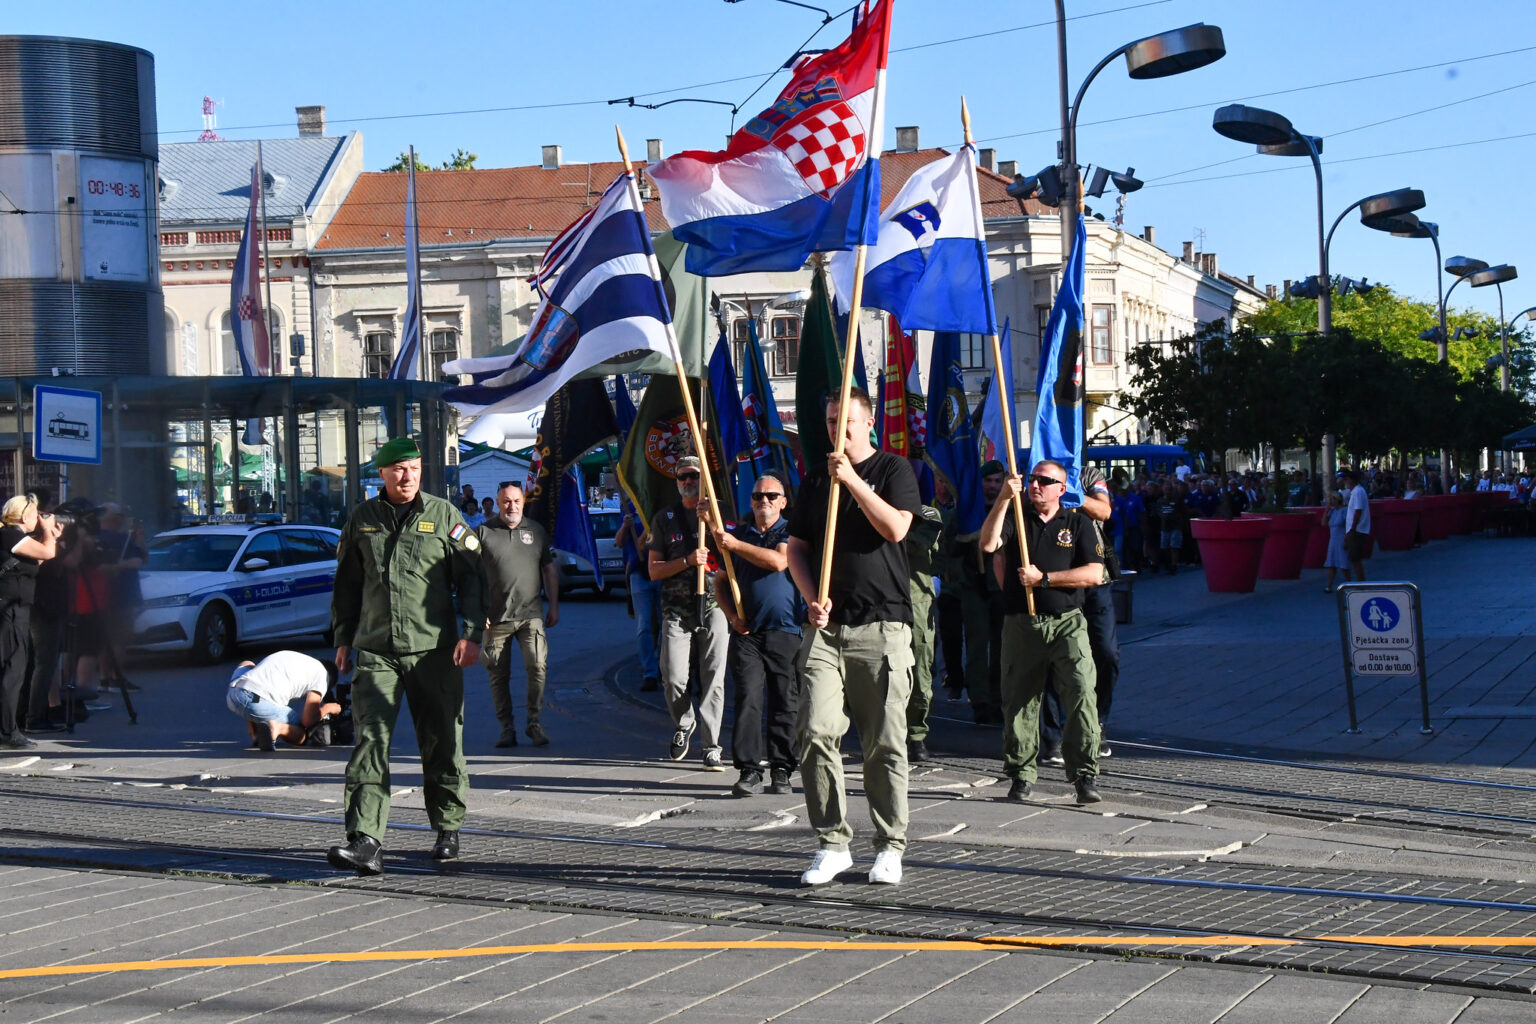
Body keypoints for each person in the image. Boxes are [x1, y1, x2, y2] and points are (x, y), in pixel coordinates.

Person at [327, 437, 485, 876]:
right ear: (381, 474)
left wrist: (471, 633)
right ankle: (365, 841)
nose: (408, 476)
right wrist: (343, 638)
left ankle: (448, 825)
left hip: (434, 651)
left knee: (441, 740)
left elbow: (472, 577)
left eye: (414, 467)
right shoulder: (362, 520)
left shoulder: (444, 515)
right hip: (376, 650)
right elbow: (347, 584)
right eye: (398, 469)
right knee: (370, 742)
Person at [786, 388, 920, 886]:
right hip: (826, 629)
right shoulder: (815, 479)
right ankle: (833, 842)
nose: (836, 430)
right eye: (829, 420)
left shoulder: (893, 471)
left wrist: (854, 482)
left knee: (883, 743)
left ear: (869, 425)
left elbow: (896, 529)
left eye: (846, 421)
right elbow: (796, 547)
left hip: (882, 626)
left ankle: (889, 845)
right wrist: (809, 597)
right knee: (816, 731)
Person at [980, 461, 1104, 806]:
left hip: (1067, 621)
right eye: (1033, 479)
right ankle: (1021, 775)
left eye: (1045, 481)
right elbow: (989, 545)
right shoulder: (1016, 518)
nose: (1036, 485)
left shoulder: (1078, 522)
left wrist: (1044, 579)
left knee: (1080, 694)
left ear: (1061, 489)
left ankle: (1084, 775)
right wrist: (1004, 499)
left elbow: (1094, 573)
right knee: (1020, 700)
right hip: (1022, 622)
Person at [706, 471, 800, 797]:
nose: (764, 502)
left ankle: (782, 769)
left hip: (786, 629)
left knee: (784, 701)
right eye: (758, 496)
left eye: (771, 496)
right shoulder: (740, 535)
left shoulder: (790, 531)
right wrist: (731, 616)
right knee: (747, 698)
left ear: (783, 502)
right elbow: (719, 582)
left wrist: (735, 545)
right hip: (748, 631)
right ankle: (748, 770)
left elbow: (778, 562)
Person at [647, 455, 727, 771]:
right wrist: (686, 562)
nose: (688, 481)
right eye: (682, 477)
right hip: (676, 609)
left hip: (714, 603)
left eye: (694, 475)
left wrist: (712, 523)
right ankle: (685, 720)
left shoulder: (720, 511)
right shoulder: (664, 518)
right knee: (672, 675)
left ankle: (712, 747)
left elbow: (734, 549)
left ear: (703, 478)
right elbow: (653, 570)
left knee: (714, 679)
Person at [476, 481, 558, 748]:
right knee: (498, 675)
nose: (511, 506)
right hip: (495, 617)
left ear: (523, 502)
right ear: (497, 504)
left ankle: (534, 723)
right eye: (506, 502)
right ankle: (506, 728)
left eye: (516, 501)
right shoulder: (483, 532)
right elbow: (469, 574)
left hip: (530, 614)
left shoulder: (536, 531)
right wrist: (477, 609)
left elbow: (548, 569)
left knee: (537, 665)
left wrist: (554, 605)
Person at [0, 495, 62, 749]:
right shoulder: (10, 536)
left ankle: (9, 727)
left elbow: (37, 559)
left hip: (16, 611)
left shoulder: (15, 539)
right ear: (24, 515)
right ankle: (7, 732)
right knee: (11, 671)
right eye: (36, 513)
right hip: (9, 611)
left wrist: (52, 536)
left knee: (16, 669)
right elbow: (47, 552)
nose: (39, 517)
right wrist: (47, 532)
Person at [226, 650, 342, 750]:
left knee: (248, 663)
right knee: (300, 734)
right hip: (254, 701)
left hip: (234, 693)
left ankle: (255, 733)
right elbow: (308, 719)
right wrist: (328, 708)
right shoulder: (323, 675)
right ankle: (276, 727)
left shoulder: (303, 662)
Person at [903, 503, 944, 763]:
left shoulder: (927, 513)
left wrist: (885, 525)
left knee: (919, 671)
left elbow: (919, 543)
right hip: (879, 598)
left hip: (916, 602)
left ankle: (916, 734)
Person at [613, 502, 660, 692]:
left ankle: (667, 668)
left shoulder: (661, 504)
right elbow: (619, 542)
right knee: (644, 626)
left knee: (668, 625)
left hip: (662, 570)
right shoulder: (629, 505)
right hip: (639, 573)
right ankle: (650, 672)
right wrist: (626, 525)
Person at [1341, 468, 1372, 582]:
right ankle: (1360, 580)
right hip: (1355, 529)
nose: (1345, 481)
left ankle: (1361, 582)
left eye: (1346, 479)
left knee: (1355, 558)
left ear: (1352, 480)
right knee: (1354, 557)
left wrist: (1352, 528)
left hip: (1358, 530)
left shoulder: (1358, 492)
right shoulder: (1355, 492)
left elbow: (1358, 511)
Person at [1323, 491, 1349, 593]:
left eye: (1332, 499)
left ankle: (1349, 583)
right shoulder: (1333, 511)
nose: (1331, 502)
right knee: (1331, 563)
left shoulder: (1344, 511)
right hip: (1333, 540)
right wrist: (1326, 511)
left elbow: (1348, 525)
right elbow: (1324, 523)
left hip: (1341, 538)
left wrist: (1347, 539)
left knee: (1344, 564)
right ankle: (1329, 585)